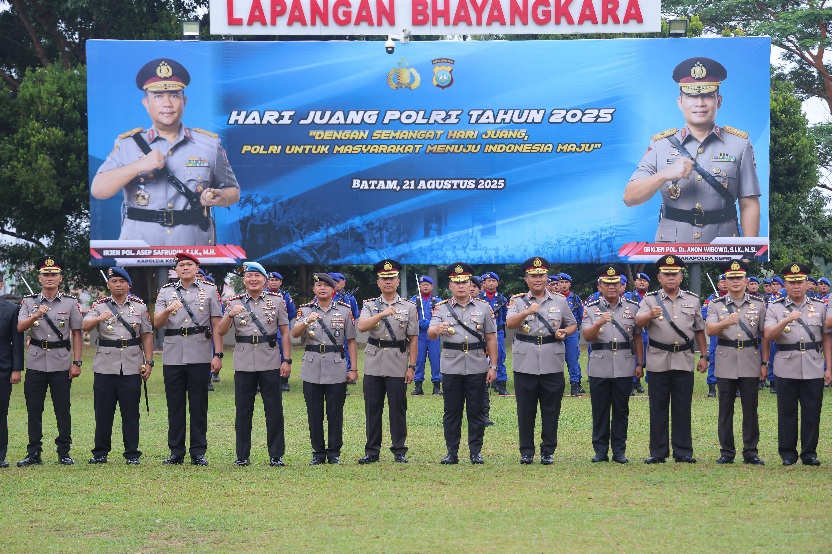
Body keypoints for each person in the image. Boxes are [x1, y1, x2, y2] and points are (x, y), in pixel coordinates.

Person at [91, 58, 240, 246]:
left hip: (194, 251)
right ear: (146, 103)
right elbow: (99, 190)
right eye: (158, 96)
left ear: (184, 101)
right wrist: (139, 166)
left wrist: (220, 197)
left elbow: (233, 191)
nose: (167, 103)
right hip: (140, 251)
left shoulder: (209, 144)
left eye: (174, 95)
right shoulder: (127, 144)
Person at [623, 57, 761, 243]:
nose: (700, 103)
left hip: (724, 248)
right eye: (692, 96)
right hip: (671, 251)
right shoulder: (660, 145)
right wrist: (664, 175)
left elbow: (749, 203)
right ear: (680, 102)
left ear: (719, 101)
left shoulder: (739, 144)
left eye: (707, 96)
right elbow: (630, 197)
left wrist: (749, 252)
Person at [635, 255, 708, 464]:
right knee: (658, 407)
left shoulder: (692, 300)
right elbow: (638, 322)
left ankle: (683, 451)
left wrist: (704, 356)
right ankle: (658, 452)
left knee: (682, 407)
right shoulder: (650, 300)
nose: (671, 278)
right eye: (666, 274)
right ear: (659, 277)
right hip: (658, 359)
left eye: (674, 274)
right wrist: (649, 315)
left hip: (684, 359)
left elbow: (699, 330)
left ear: (681, 276)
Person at [505, 257, 578, 465]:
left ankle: (548, 450)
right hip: (525, 361)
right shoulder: (518, 301)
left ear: (547, 278)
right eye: (533, 276)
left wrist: (565, 331)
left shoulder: (560, 301)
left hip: (552, 360)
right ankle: (526, 451)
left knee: (551, 409)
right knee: (525, 410)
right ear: (526, 279)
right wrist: (527, 311)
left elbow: (572, 324)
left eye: (541, 275)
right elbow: (510, 323)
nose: (538, 279)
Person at [217, 262, 290, 466]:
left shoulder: (277, 301)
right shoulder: (233, 302)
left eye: (257, 276)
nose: (253, 279)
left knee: (274, 409)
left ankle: (276, 455)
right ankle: (242, 456)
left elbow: (285, 332)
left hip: (270, 360)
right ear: (244, 280)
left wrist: (286, 360)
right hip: (244, 361)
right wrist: (230, 314)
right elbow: (220, 331)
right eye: (249, 276)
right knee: (243, 410)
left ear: (264, 279)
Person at [154, 252, 223, 466]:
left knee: (199, 404)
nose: (185, 268)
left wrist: (218, 354)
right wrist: (168, 309)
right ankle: (176, 451)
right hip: (173, 355)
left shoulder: (209, 290)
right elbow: (157, 323)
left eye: (189, 264)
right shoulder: (165, 291)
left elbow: (217, 325)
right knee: (175, 405)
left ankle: (198, 451)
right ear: (175, 270)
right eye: (181, 265)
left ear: (197, 268)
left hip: (200, 353)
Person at [82, 267, 153, 465]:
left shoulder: (139, 306)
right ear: (108, 285)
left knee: (131, 413)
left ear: (129, 285)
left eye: (122, 281)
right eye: (114, 281)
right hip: (105, 365)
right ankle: (100, 453)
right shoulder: (99, 306)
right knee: (103, 412)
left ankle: (132, 453)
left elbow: (147, 335)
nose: (118, 285)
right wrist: (99, 318)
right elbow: (84, 326)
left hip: (131, 364)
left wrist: (149, 362)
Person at [17, 255, 83, 467]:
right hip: (36, 361)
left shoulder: (70, 303)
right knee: (34, 409)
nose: (50, 278)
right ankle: (34, 452)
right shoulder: (29, 302)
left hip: (61, 362)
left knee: (62, 409)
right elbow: (21, 327)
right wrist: (35, 315)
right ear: (39, 277)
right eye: (46, 274)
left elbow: (77, 333)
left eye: (54, 274)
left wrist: (77, 362)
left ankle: (64, 451)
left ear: (60, 278)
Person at [428, 263, 497, 464]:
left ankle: (476, 452)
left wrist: (493, 366)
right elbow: (431, 333)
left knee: (476, 411)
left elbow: (491, 338)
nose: (460, 286)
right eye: (456, 283)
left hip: (477, 364)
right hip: (451, 365)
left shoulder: (483, 308)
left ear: (470, 285)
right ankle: (452, 452)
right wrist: (437, 330)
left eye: (464, 282)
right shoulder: (441, 308)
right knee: (452, 411)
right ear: (450, 285)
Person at [764, 263, 832, 466]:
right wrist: (786, 320)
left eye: (800, 282)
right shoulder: (775, 307)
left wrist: (829, 368)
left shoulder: (819, 306)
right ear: (785, 284)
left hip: (813, 364)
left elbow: (826, 338)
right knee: (787, 411)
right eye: (791, 282)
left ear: (807, 284)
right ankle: (787, 453)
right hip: (786, 365)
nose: (796, 286)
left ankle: (809, 453)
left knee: (812, 411)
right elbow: (768, 334)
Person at [705, 260, 767, 465]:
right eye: (731, 278)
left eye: (739, 278)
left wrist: (764, 363)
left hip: (750, 358)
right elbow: (710, 330)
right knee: (725, 409)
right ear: (725, 281)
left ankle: (751, 452)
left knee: (750, 409)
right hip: (726, 359)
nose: (735, 281)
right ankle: (727, 452)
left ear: (746, 281)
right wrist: (725, 322)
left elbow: (764, 335)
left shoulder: (758, 304)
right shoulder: (715, 304)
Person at [356, 260, 418, 464]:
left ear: (398, 281)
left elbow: (413, 339)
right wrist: (382, 314)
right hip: (374, 360)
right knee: (372, 409)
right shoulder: (369, 305)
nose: (388, 282)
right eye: (384, 278)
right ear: (378, 282)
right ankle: (372, 451)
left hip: (397, 361)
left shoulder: (409, 306)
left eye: (391, 278)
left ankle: (399, 450)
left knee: (398, 408)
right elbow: (362, 326)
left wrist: (412, 366)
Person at [292, 273, 358, 465]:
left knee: (335, 412)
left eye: (326, 285)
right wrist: (306, 321)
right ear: (314, 289)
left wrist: (353, 369)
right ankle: (318, 452)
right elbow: (294, 334)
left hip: (336, 365)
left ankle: (334, 452)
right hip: (312, 365)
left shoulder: (344, 310)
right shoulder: (305, 310)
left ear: (333, 289)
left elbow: (351, 341)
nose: (322, 288)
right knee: (314, 413)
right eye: (318, 285)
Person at [582, 265, 644, 463]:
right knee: (599, 410)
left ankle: (619, 450)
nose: (611, 287)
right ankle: (600, 451)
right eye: (607, 284)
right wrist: (599, 322)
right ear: (599, 286)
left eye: (615, 283)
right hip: (600, 364)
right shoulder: (590, 308)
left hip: (624, 364)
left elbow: (637, 338)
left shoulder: (633, 307)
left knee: (621, 409)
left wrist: (640, 363)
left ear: (621, 286)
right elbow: (587, 336)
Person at [0, 271, 24, 468]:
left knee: (1, 412)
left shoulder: (11, 309)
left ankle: (0, 455)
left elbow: (17, 341)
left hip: (3, 368)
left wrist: (17, 369)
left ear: (1, 285)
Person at [410, 275, 443, 396]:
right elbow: (409, 316)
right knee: (419, 360)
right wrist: (418, 323)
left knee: (435, 360)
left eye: (427, 285)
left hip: (433, 335)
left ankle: (436, 385)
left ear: (432, 287)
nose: (425, 287)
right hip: (419, 335)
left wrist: (431, 324)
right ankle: (418, 385)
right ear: (419, 286)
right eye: (423, 285)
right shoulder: (414, 300)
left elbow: (442, 316)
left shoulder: (437, 301)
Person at [479, 271, 510, 396]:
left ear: (497, 283)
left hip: (498, 331)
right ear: (484, 283)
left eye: (493, 281)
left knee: (499, 356)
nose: (491, 283)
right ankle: (484, 381)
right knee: (481, 356)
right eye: (488, 281)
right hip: (481, 331)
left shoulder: (502, 299)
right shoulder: (479, 298)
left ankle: (501, 383)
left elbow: (506, 316)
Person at [266, 271, 296, 392]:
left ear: (280, 282)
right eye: (271, 280)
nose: (274, 282)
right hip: (266, 329)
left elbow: (292, 312)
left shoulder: (286, 296)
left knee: (284, 353)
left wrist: (281, 321)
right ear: (267, 282)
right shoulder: (262, 295)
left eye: (276, 280)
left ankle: (284, 380)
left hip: (281, 330)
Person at [624, 272, 651, 395]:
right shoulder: (628, 296)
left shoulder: (652, 298)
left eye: (644, 281)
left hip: (648, 331)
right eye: (639, 280)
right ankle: (633, 382)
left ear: (648, 284)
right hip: (632, 331)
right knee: (632, 357)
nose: (642, 282)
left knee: (650, 358)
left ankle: (649, 382)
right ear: (635, 282)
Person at [702, 274, 728, 398]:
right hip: (716, 333)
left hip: (732, 333)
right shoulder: (712, 299)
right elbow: (704, 312)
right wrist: (715, 321)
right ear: (718, 285)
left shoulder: (735, 298)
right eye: (722, 282)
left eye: (726, 281)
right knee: (714, 358)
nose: (724, 284)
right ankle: (712, 386)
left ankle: (736, 387)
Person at [559, 273, 584, 396]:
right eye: (561, 282)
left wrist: (575, 328)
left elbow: (581, 315)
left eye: (566, 282)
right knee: (554, 359)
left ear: (570, 284)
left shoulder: (575, 299)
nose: (564, 285)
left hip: (571, 333)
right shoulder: (554, 298)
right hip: (557, 333)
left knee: (572, 358)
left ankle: (575, 384)